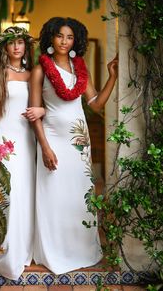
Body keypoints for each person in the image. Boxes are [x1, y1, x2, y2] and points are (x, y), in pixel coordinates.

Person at [29, 17, 118, 274]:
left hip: (79, 139)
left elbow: (96, 104)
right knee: (53, 192)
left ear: (75, 40)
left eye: (69, 37)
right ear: (51, 39)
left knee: (78, 193)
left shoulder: (80, 71)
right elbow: (35, 113)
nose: (64, 41)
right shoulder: (40, 71)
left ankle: (80, 248)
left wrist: (111, 77)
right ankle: (54, 250)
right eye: (59, 36)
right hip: (52, 137)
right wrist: (44, 147)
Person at [0, 26, 45, 280]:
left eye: (21, 42)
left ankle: (23, 249)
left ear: (26, 47)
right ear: (4, 47)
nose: (17, 47)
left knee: (25, 197)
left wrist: (42, 112)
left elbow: (43, 106)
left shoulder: (32, 74)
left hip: (27, 143)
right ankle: (4, 251)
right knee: (6, 195)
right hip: (4, 144)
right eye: (12, 43)